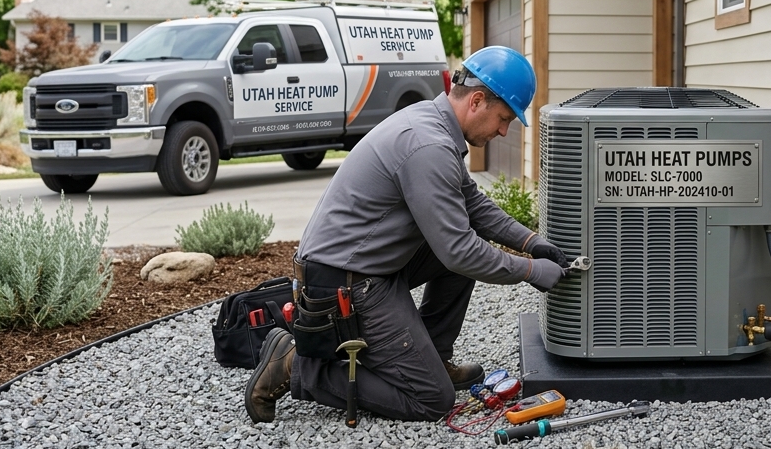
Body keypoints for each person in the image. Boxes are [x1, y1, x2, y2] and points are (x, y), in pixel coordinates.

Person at [243, 46, 570, 424]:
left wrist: (532, 243)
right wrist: (532, 271)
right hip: (343, 285)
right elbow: (460, 251)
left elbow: (473, 206)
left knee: (458, 253)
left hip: (364, 266)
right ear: (477, 101)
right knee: (431, 399)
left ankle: (429, 355)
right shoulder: (428, 145)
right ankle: (295, 364)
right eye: (504, 118)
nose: (502, 130)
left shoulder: (431, 123)